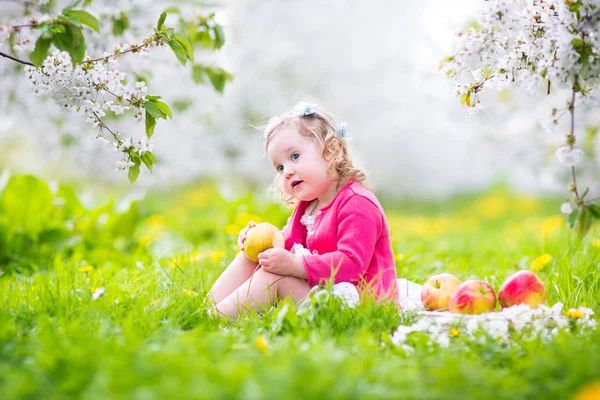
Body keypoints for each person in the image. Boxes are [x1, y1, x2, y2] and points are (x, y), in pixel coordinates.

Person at [207, 101, 399, 319]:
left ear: (331, 151)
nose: (286, 172)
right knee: (259, 257)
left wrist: (296, 265)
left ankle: (216, 318)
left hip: (358, 308)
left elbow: (352, 265)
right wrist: (259, 242)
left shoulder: (357, 204)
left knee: (275, 276)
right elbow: (285, 245)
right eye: (279, 167)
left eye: (295, 156)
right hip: (323, 296)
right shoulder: (307, 206)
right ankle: (208, 309)